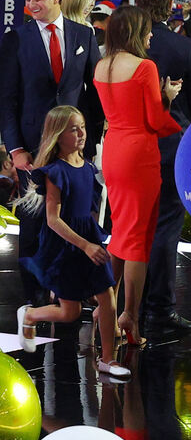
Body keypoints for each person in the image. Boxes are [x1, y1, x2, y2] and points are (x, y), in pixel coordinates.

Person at [0, 0, 104, 309]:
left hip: (74, 152)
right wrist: (15, 149)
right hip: (31, 149)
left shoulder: (83, 35)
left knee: (76, 220)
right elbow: (8, 100)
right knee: (34, 224)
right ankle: (34, 297)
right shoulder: (16, 38)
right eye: (27, 0)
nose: (31, 6)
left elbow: (95, 94)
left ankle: (72, 291)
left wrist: (90, 143)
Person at [15, 106, 128, 377]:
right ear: (57, 134)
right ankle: (30, 316)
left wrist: (94, 240)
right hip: (65, 246)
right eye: (73, 129)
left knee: (108, 298)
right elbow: (53, 219)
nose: (80, 133)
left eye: (83, 127)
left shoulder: (88, 166)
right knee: (70, 312)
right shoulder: (55, 172)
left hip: (87, 237)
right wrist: (85, 245)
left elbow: (87, 207)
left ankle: (108, 360)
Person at [94, 5, 182, 347]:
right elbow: (155, 121)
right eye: (146, 30)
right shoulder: (145, 67)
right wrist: (168, 98)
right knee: (137, 241)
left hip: (114, 150)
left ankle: (107, 305)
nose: (150, 35)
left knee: (121, 234)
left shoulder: (102, 66)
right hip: (139, 156)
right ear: (134, 31)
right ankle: (129, 315)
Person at [137, 0, 191, 335]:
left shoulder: (122, 45)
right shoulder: (183, 47)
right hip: (170, 148)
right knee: (165, 228)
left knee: (131, 228)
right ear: (170, 5)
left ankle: (128, 306)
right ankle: (159, 309)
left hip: (130, 147)